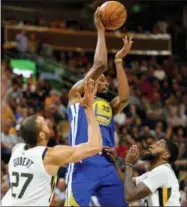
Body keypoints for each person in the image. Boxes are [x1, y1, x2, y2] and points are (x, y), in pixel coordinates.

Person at [66, 7, 133, 206]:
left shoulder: (107, 105)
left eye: (105, 82)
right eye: (100, 79)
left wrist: (119, 61)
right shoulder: (76, 95)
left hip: (106, 163)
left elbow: (125, 98)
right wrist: (101, 30)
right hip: (82, 161)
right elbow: (100, 65)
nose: (104, 82)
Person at [1, 79, 102, 206]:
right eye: (43, 123)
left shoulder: (17, 149)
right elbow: (95, 146)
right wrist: (89, 111)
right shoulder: (50, 155)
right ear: (41, 135)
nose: (47, 122)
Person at [105, 139, 181, 206]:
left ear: (166, 155)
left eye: (158, 145)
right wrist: (114, 162)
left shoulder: (163, 171)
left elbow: (130, 196)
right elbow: (126, 181)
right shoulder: (154, 173)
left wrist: (129, 164)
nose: (151, 145)